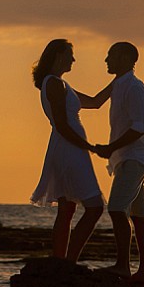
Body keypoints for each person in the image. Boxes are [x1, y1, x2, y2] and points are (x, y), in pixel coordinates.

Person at [30, 38, 113, 262]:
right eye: (70, 54)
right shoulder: (54, 84)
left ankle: (61, 261)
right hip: (68, 149)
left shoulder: (62, 85)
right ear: (58, 55)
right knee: (94, 207)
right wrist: (90, 148)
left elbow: (95, 102)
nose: (74, 59)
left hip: (68, 148)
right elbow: (62, 125)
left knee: (67, 209)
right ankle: (69, 261)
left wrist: (118, 81)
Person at [92, 41, 144, 282]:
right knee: (138, 214)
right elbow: (96, 101)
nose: (106, 60)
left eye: (111, 56)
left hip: (133, 157)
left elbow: (140, 127)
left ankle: (123, 266)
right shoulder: (118, 84)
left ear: (126, 58)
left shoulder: (135, 87)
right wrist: (58, 88)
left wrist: (110, 148)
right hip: (124, 159)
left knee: (117, 208)